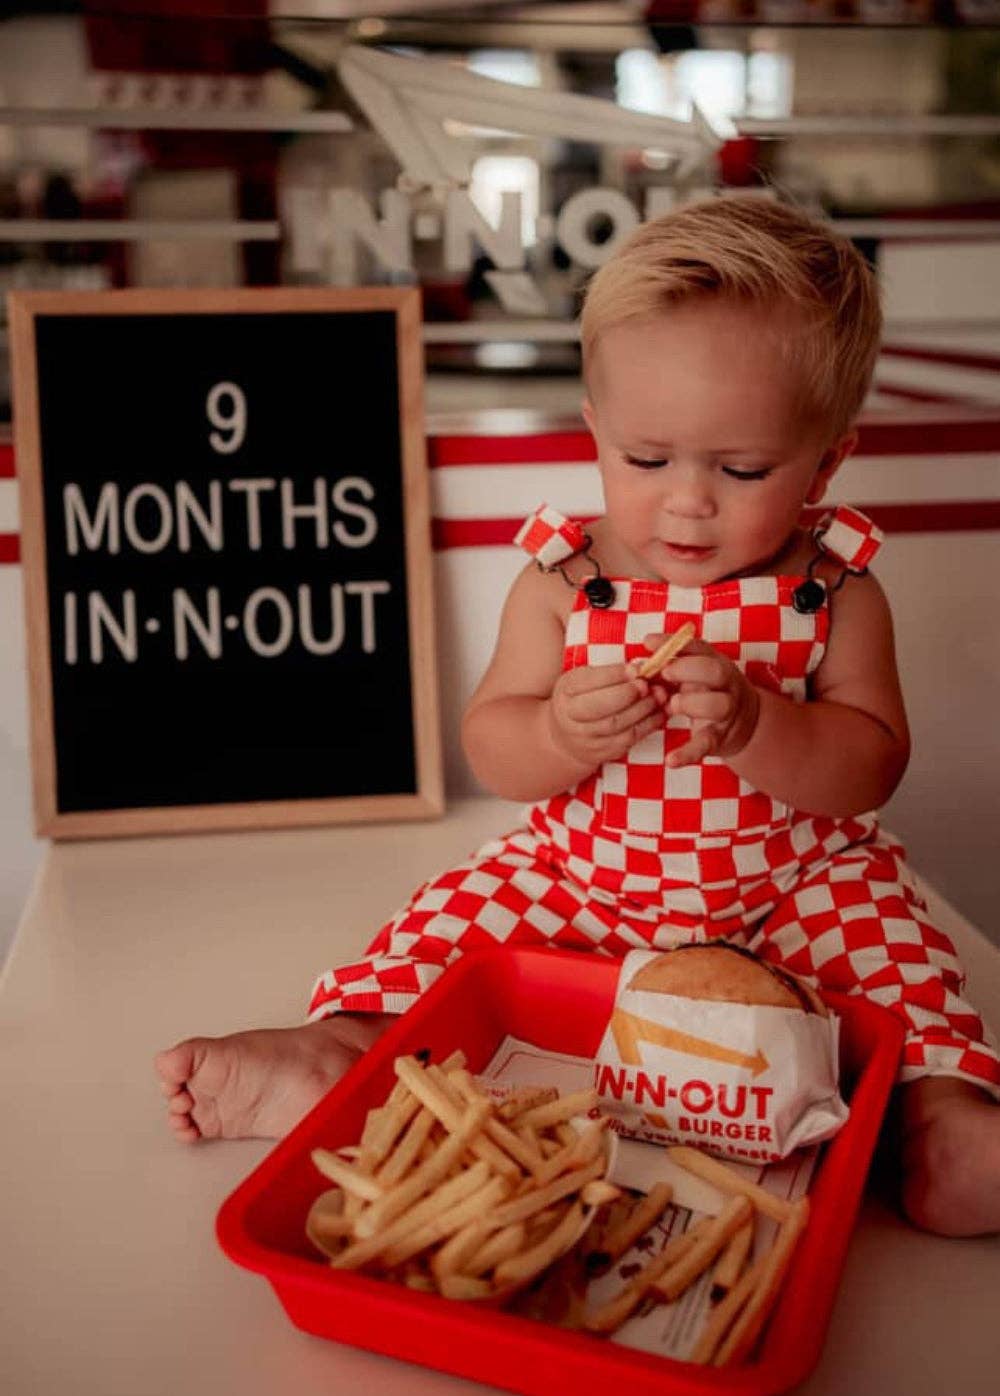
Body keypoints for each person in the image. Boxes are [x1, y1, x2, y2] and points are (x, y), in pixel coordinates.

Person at [155, 194, 1000, 1237]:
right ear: (596, 433)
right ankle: (337, 1047)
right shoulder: (569, 581)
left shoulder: (832, 590)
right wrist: (555, 732)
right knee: (449, 924)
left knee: (903, 954)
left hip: (793, 888)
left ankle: (941, 1126)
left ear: (825, 460)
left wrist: (759, 727)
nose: (687, 501)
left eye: (740, 470)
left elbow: (872, 763)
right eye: (647, 461)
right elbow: (493, 743)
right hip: (586, 880)